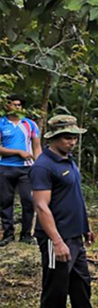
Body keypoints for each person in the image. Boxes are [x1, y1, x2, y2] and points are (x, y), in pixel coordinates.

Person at [29, 115, 98, 308]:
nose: (73, 141)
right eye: (68, 137)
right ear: (54, 137)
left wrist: (85, 226)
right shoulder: (43, 166)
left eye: (75, 137)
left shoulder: (69, 161)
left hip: (75, 236)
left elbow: (74, 198)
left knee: (81, 284)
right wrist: (56, 241)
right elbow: (42, 207)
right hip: (56, 238)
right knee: (56, 287)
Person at [0, 94, 42, 245]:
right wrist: (17, 152)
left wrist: (40, 165)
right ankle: (8, 234)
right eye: (13, 104)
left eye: (19, 105)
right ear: (7, 106)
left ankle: (26, 234)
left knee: (28, 200)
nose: (17, 107)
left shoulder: (30, 124)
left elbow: (37, 147)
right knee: (5, 201)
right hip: (5, 167)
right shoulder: (1, 123)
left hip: (26, 169)